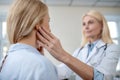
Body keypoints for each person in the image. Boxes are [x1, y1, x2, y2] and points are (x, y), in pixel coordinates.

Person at [37, 10, 120, 80]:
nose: (86, 27)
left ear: (102, 26)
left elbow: (103, 78)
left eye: (90, 22)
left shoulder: (112, 48)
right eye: (84, 24)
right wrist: (42, 60)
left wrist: (63, 54)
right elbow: (63, 71)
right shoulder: (80, 50)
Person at [0, 0, 58, 80]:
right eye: (48, 21)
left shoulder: (4, 61)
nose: (50, 29)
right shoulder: (42, 65)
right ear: (37, 23)